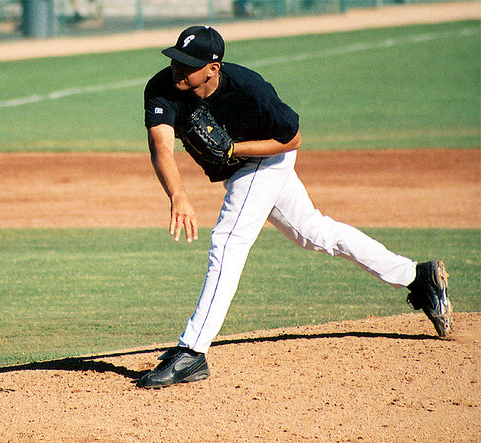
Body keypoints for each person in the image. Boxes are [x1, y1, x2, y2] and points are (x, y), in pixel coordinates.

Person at [136, 26, 453, 389]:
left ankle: (192, 350)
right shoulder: (161, 87)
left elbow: (292, 139)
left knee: (227, 241)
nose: (177, 68)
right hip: (239, 169)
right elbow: (161, 147)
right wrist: (178, 195)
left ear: (213, 68)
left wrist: (234, 149)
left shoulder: (250, 90)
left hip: (267, 160)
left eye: (188, 64)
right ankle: (416, 276)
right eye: (176, 60)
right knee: (313, 233)